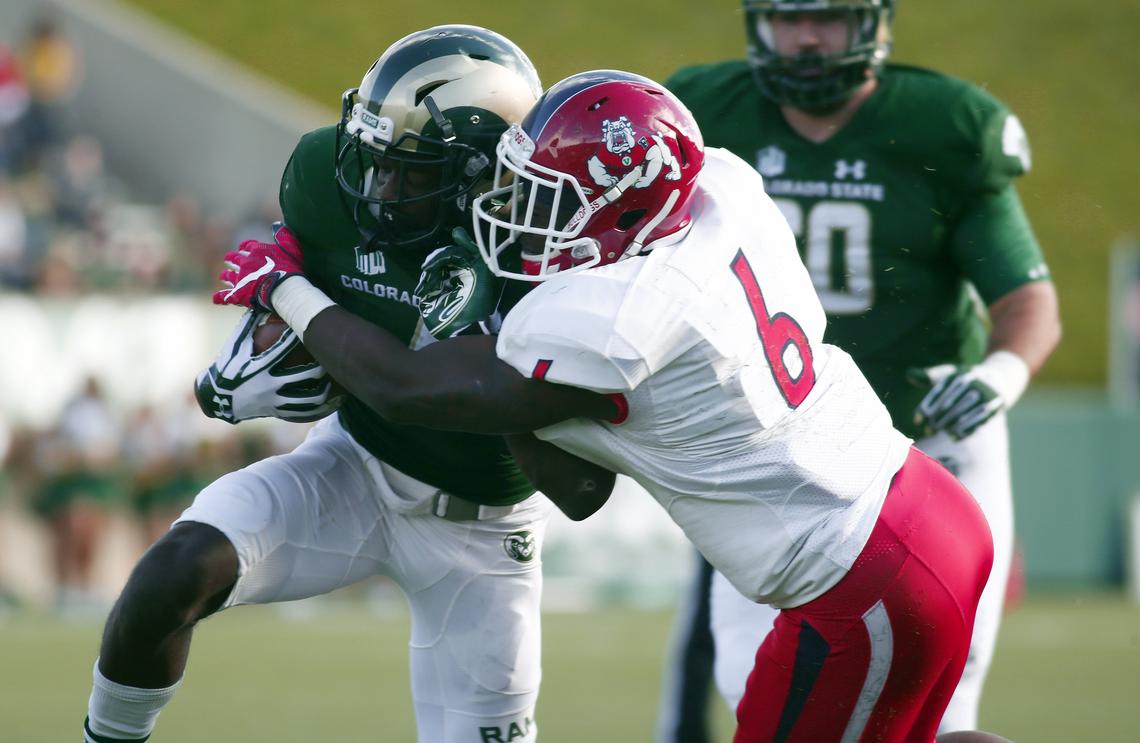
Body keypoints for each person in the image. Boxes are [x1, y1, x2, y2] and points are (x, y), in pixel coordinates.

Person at [216, 69, 995, 742]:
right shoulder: (721, 189)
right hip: (924, 505)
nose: (514, 209)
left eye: (546, 199)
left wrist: (286, 288)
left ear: (625, 215)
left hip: (862, 577)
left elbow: (403, 385)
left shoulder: (617, 318)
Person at [81, 26, 555, 743]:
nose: (378, 187)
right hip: (355, 464)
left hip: (484, 531)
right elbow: (327, 318)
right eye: (374, 159)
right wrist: (269, 349)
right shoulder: (322, 177)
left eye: (411, 171)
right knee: (174, 571)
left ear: (482, 177)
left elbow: (409, 384)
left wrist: (291, 291)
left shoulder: (543, 252)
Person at [658, 0, 1063, 735]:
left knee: (942, 692)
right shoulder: (706, 112)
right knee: (755, 681)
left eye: (831, 19)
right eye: (788, 18)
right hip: (779, 447)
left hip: (927, 444)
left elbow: (1028, 299)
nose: (807, 38)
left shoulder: (946, 123)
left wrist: (1000, 376)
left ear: (873, 24)